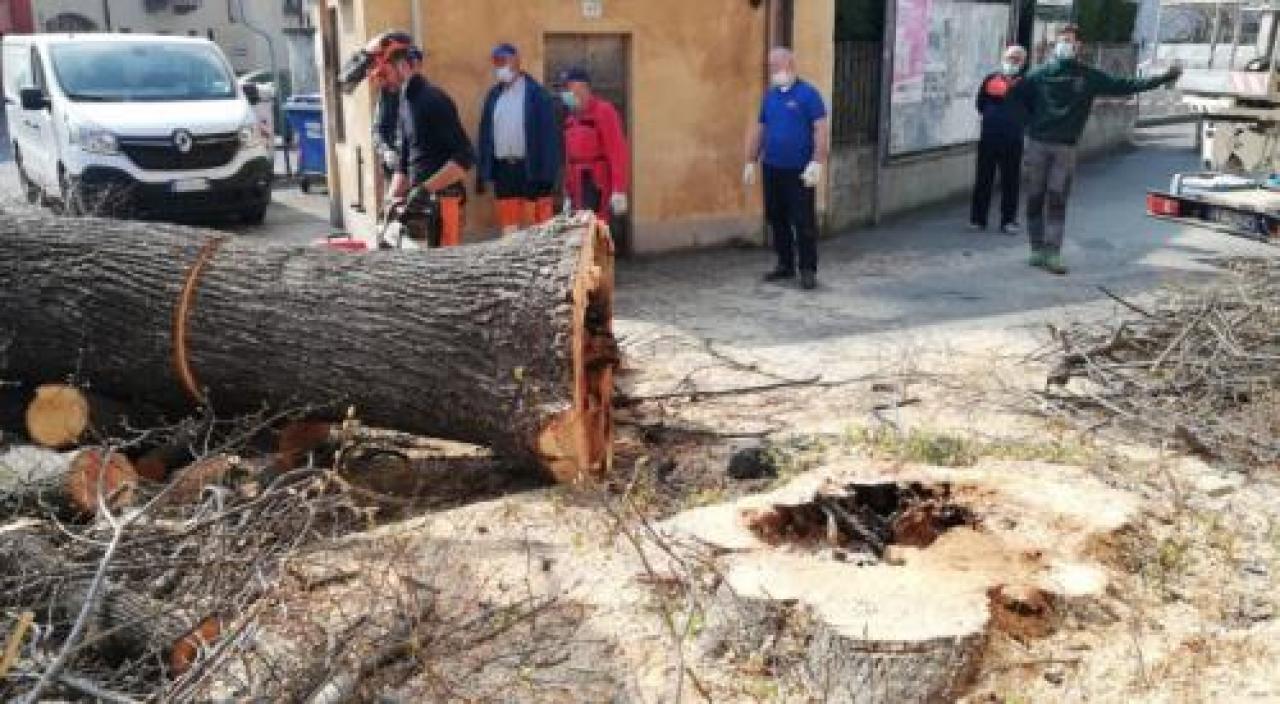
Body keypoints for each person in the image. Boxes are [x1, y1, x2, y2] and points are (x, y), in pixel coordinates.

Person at [1016, 25, 1181, 274]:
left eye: (1070, 41)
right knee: (1034, 197)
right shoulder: (1038, 75)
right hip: (1038, 144)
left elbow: (1125, 84)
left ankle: (1052, 252)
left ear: (1077, 46)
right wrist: (1029, 126)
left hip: (1065, 147)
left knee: (1057, 199)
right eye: (1062, 41)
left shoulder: (1087, 76)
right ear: (1054, 46)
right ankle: (1036, 249)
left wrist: (1162, 79)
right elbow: (1019, 100)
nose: (1065, 45)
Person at [743, 47, 829, 291]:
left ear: (790, 64)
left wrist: (817, 161)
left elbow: (820, 129)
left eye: (776, 66)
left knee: (803, 221)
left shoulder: (808, 94)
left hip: (799, 170)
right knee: (776, 217)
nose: (772, 70)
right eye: (770, 66)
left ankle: (808, 269)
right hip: (772, 168)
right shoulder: (770, 97)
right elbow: (760, 129)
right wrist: (750, 160)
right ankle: (785, 264)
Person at [380, 41, 476, 247]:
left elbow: (465, 157)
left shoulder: (433, 100)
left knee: (443, 272)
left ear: (403, 66)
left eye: (386, 73)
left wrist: (426, 189)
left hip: (444, 203)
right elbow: (405, 161)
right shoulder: (405, 103)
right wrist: (390, 201)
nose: (384, 80)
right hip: (419, 206)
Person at [477, 44, 563, 236]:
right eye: (496, 63)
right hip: (504, 171)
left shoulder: (537, 95)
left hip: (530, 170)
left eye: (503, 62)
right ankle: (511, 261)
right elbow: (485, 133)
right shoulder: (494, 96)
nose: (499, 67)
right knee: (510, 227)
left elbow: (548, 137)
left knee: (535, 228)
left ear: (516, 61)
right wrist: (484, 172)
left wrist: (548, 175)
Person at [558, 67, 630, 224]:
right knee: (580, 232)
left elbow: (617, 151)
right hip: (575, 182)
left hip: (595, 179)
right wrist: (567, 190)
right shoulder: (570, 118)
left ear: (583, 88)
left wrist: (619, 189)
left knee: (595, 229)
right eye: (564, 88)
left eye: (568, 87)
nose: (565, 93)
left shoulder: (604, 111)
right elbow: (569, 157)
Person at [970, 45, 1028, 235]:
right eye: (1010, 57)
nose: (1013, 62)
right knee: (983, 180)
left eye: (1017, 59)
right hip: (989, 138)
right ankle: (978, 219)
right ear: (1003, 58)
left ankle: (1008, 221)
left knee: (1011, 182)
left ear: (1023, 62)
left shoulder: (1027, 83)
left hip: (1013, 140)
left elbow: (1032, 108)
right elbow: (980, 103)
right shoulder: (991, 79)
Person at [371, 38, 422, 180]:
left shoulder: (421, 95)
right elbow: (376, 130)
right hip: (392, 168)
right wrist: (386, 151)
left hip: (414, 168)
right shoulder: (385, 95)